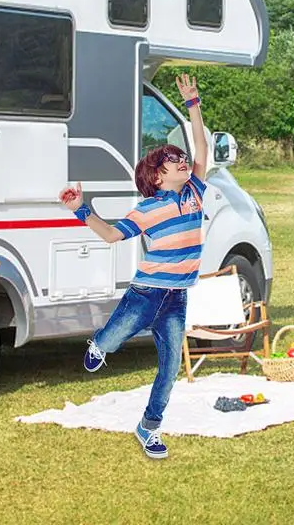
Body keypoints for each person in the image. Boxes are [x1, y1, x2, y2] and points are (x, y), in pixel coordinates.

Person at [59, 74, 208, 459]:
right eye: (175, 161)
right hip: (145, 295)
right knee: (111, 341)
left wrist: (193, 105)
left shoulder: (194, 193)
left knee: (170, 366)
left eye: (182, 158)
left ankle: (149, 428)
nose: (184, 162)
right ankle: (98, 343)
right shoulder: (146, 209)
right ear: (159, 176)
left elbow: (203, 150)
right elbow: (111, 235)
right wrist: (81, 210)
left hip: (176, 299)